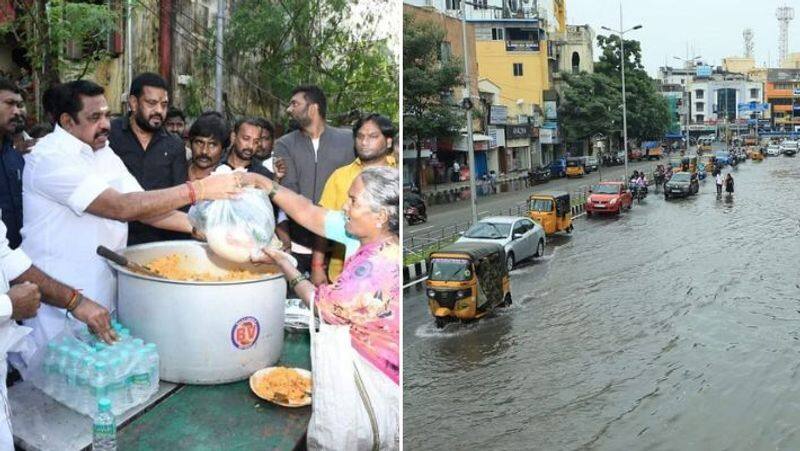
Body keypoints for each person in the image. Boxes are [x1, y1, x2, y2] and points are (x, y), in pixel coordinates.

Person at [21, 79, 241, 347]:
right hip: (59, 298)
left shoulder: (101, 152)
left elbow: (144, 208)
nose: (105, 124)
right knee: (55, 379)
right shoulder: (50, 158)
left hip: (100, 290)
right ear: (68, 121)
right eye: (94, 117)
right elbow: (121, 207)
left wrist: (203, 230)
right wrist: (200, 190)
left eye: (106, 114)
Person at [248, 167, 399, 449]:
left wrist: (285, 266)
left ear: (380, 216)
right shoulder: (373, 239)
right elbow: (308, 212)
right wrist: (265, 184)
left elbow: (321, 305)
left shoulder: (374, 269)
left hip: (369, 382)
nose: (345, 206)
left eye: (353, 201)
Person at [273, 85, 354, 284]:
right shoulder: (284, 144)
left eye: (294, 103)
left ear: (312, 108)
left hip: (341, 246)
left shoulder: (349, 140)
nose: (289, 109)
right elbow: (289, 191)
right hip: (298, 244)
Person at [109, 73, 189, 245]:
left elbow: (179, 199)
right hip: (114, 238)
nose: (159, 111)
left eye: (164, 104)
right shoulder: (109, 135)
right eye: (151, 103)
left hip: (159, 242)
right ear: (133, 103)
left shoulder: (174, 145)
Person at [318, 113, 396, 283]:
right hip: (342, 276)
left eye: (373, 136)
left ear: (388, 141)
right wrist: (317, 266)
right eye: (360, 137)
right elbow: (321, 224)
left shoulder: (396, 175)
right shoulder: (339, 176)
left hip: (387, 277)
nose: (364, 142)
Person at [0, 78, 26, 249]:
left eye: (19, 105)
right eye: (10, 103)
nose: (17, 111)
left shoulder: (16, 156)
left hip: (19, 259)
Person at [186, 112, 227, 182]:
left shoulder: (226, 178)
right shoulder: (177, 171)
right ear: (190, 144)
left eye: (212, 145)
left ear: (222, 149)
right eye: (199, 142)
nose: (204, 151)